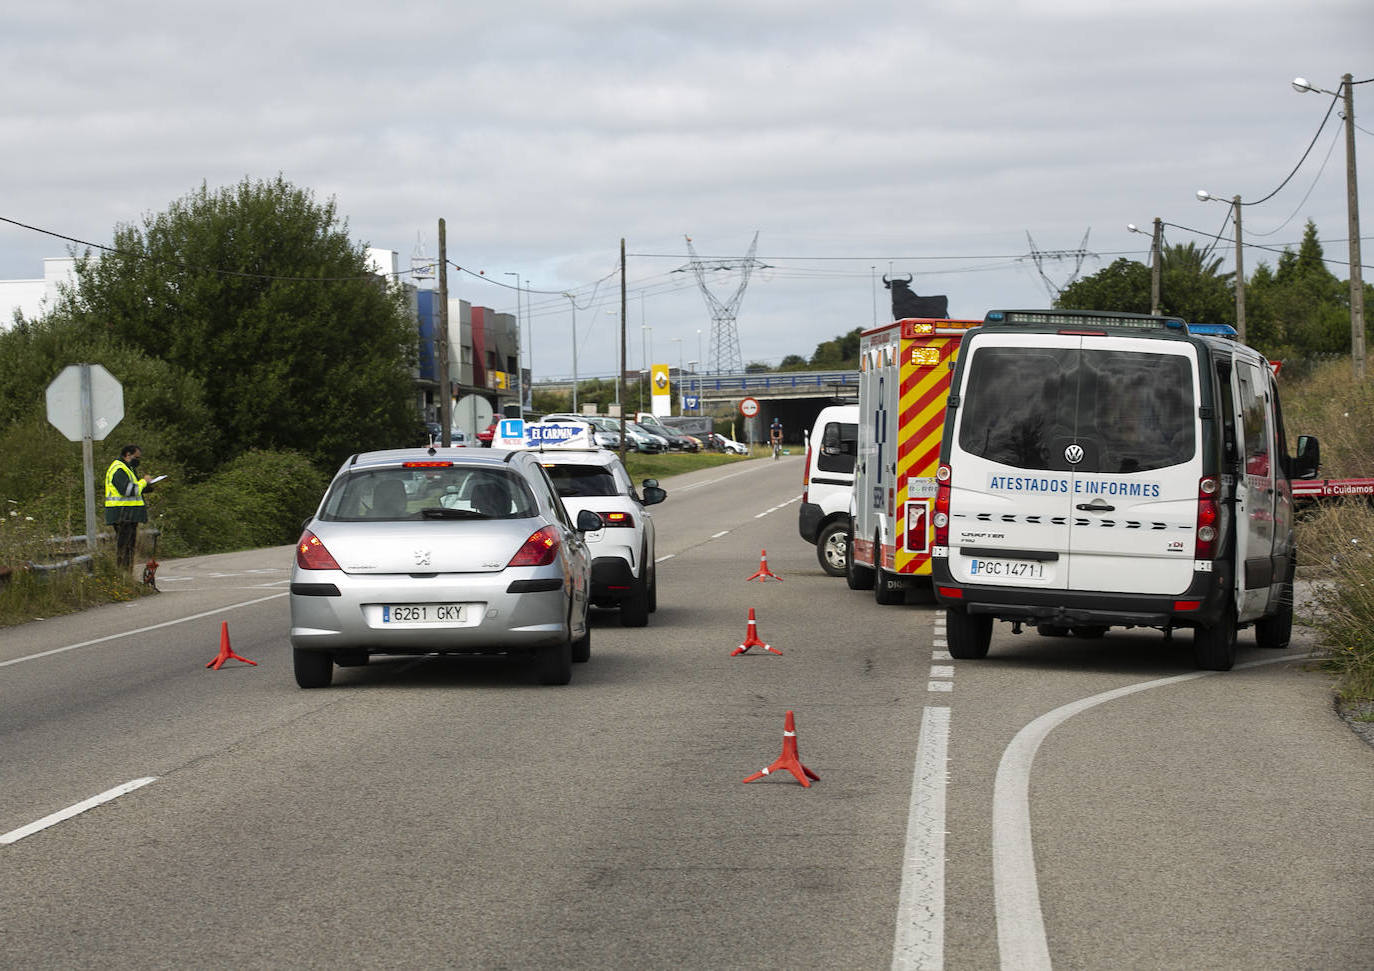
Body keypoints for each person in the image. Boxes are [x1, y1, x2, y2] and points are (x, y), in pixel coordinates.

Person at [104, 444, 155, 572]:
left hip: (129, 514)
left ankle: (127, 577)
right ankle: (122, 577)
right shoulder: (118, 469)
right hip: (122, 514)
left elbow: (136, 488)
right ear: (128, 455)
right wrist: (144, 481)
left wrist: (149, 485)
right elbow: (128, 490)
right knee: (124, 548)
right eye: (136, 457)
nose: (138, 461)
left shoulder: (128, 468)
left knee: (129, 548)